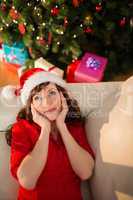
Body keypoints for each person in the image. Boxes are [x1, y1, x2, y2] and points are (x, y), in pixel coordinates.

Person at [5, 68, 95, 200]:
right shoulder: (21, 129)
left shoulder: (74, 125)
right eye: (37, 98)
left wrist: (62, 127)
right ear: (31, 106)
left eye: (51, 93)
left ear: (62, 95)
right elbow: (27, 181)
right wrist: (45, 130)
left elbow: (85, 173)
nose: (47, 103)